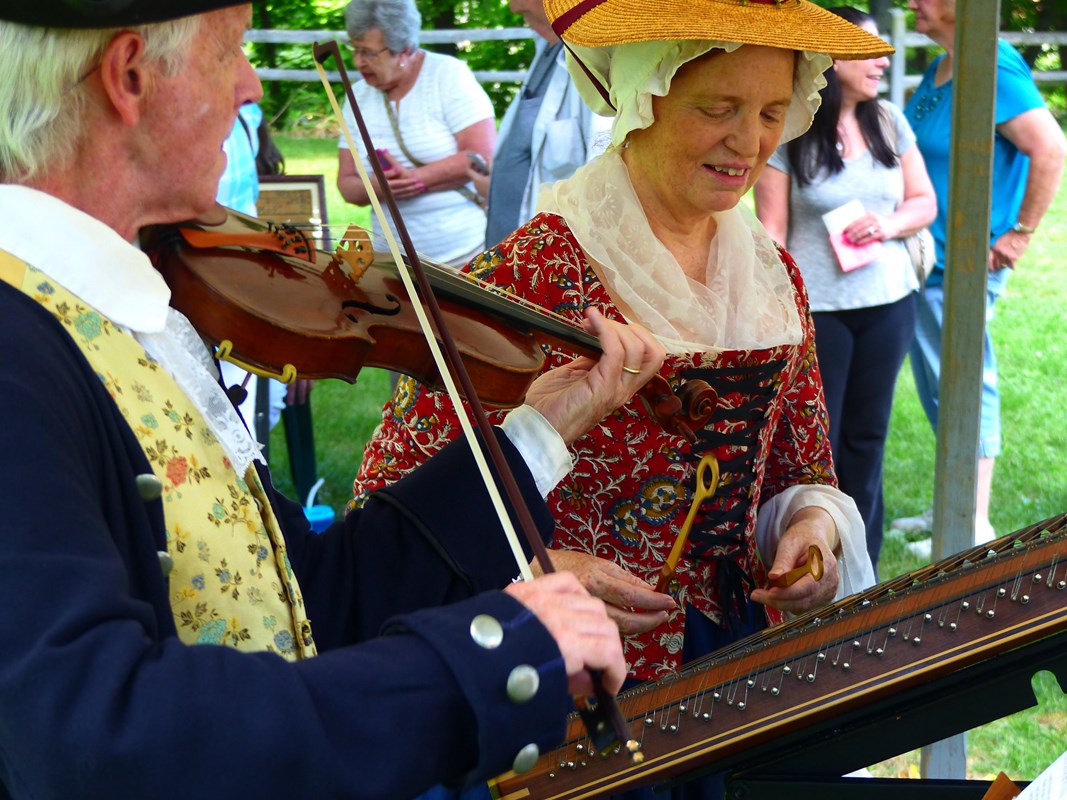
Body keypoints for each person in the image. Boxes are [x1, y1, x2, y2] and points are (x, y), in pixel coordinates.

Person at [0, 2, 672, 797]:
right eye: (232, 53)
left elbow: (313, 594)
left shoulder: (142, 313)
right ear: (131, 75)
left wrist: (540, 431)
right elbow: (90, 734)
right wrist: (479, 660)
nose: (251, 87)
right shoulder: (18, 345)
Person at [354, 0, 890, 770]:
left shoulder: (773, 278)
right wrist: (539, 569)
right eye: (718, 108)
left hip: (729, 671)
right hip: (565, 679)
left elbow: (799, 465)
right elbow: (392, 499)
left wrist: (811, 529)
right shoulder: (533, 271)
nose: (750, 142)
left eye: (772, 111)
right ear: (645, 96)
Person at [753, 6, 937, 574]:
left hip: (889, 305)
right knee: (819, 444)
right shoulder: (792, 131)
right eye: (870, 51)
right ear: (830, 58)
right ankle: (814, 565)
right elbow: (772, 231)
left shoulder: (890, 122)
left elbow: (924, 202)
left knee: (868, 437)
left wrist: (887, 225)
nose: (884, 60)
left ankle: (865, 573)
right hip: (820, 315)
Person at [890, 0, 1067, 555]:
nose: (914, 4)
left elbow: (1050, 147)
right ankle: (950, 498)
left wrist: (1018, 234)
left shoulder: (992, 64)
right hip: (930, 260)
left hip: (966, 264)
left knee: (966, 381)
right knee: (939, 385)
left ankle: (973, 522)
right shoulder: (944, 62)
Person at [336, 0, 494, 268]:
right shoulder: (357, 97)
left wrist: (414, 179)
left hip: (466, 255)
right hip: (392, 262)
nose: (358, 61)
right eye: (355, 49)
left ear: (405, 51)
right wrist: (379, 187)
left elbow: (481, 157)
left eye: (369, 53)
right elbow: (347, 185)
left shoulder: (448, 75)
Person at [468, 0, 611, 249]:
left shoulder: (597, 61)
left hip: (554, 256)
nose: (511, 6)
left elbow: (603, 177)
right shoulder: (547, 46)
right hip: (510, 249)